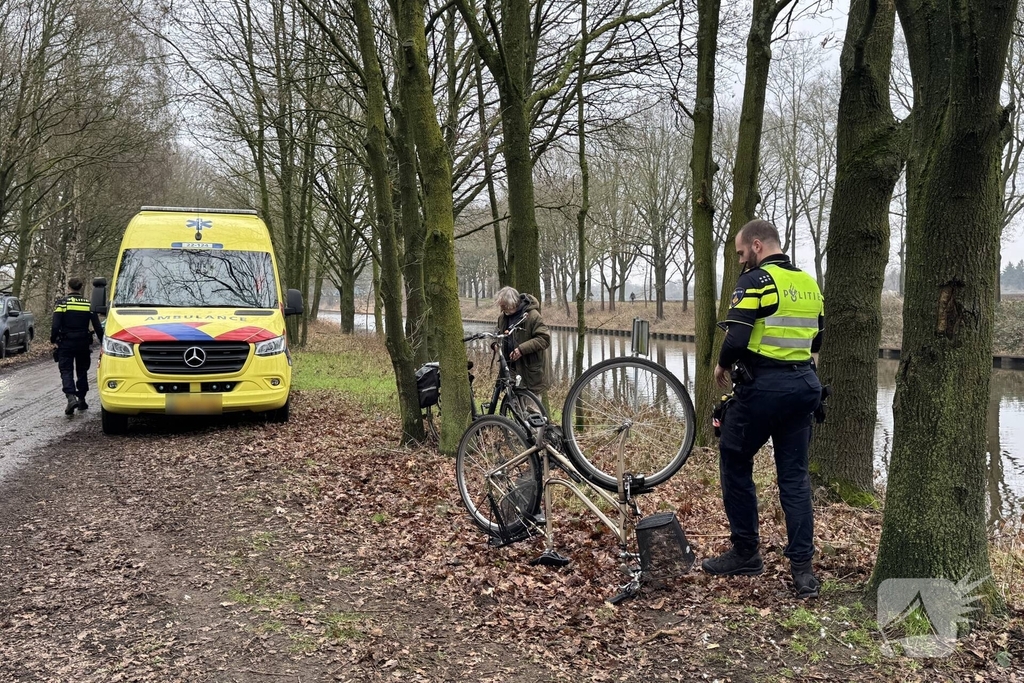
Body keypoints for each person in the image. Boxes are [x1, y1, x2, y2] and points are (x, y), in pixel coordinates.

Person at [703, 220, 824, 599]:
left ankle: (745, 552)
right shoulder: (808, 283)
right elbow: (817, 337)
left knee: (735, 458)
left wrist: (722, 364)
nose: (740, 261)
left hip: (763, 388)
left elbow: (737, 335)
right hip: (804, 385)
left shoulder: (756, 280)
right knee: (795, 477)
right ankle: (803, 571)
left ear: (757, 246)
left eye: (741, 253)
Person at [51, 277, 103, 416]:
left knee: (66, 370)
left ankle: (70, 398)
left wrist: (53, 339)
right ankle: (82, 399)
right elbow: (97, 326)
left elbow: (56, 325)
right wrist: (103, 340)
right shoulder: (88, 304)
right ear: (80, 288)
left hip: (66, 342)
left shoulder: (62, 303)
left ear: (69, 288)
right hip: (83, 343)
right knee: (82, 371)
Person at [493, 286, 551, 394]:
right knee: (514, 407)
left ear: (514, 303)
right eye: (502, 307)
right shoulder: (502, 317)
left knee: (531, 409)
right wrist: (495, 344)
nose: (503, 310)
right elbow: (497, 334)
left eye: (505, 307)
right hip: (511, 372)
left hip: (530, 373)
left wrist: (521, 349)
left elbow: (544, 338)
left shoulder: (532, 316)